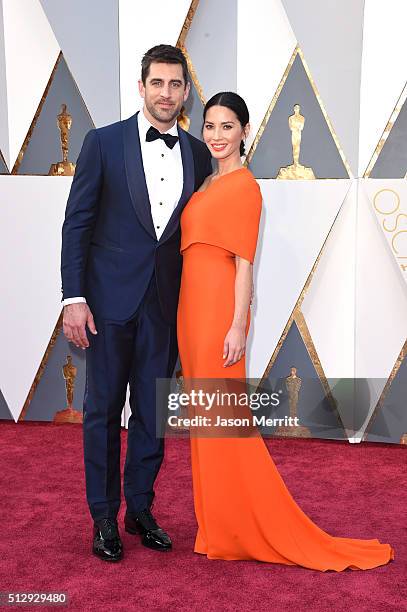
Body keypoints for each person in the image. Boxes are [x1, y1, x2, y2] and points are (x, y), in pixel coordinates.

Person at [177, 92, 394, 571]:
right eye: (210, 126)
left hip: (218, 315)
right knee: (208, 421)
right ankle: (218, 525)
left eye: (227, 127)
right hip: (189, 313)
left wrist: (237, 325)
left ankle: (243, 524)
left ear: (244, 132)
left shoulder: (245, 187)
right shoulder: (206, 185)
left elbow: (243, 266)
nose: (216, 136)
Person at [61, 44, 212, 562]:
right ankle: (103, 517)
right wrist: (74, 296)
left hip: (167, 305)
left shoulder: (197, 152)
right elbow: (77, 222)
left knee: (151, 412)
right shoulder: (102, 143)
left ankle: (140, 508)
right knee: (102, 411)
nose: (166, 93)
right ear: (142, 87)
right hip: (105, 303)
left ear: (186, 92)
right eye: (157, 84)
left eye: (175, 85)